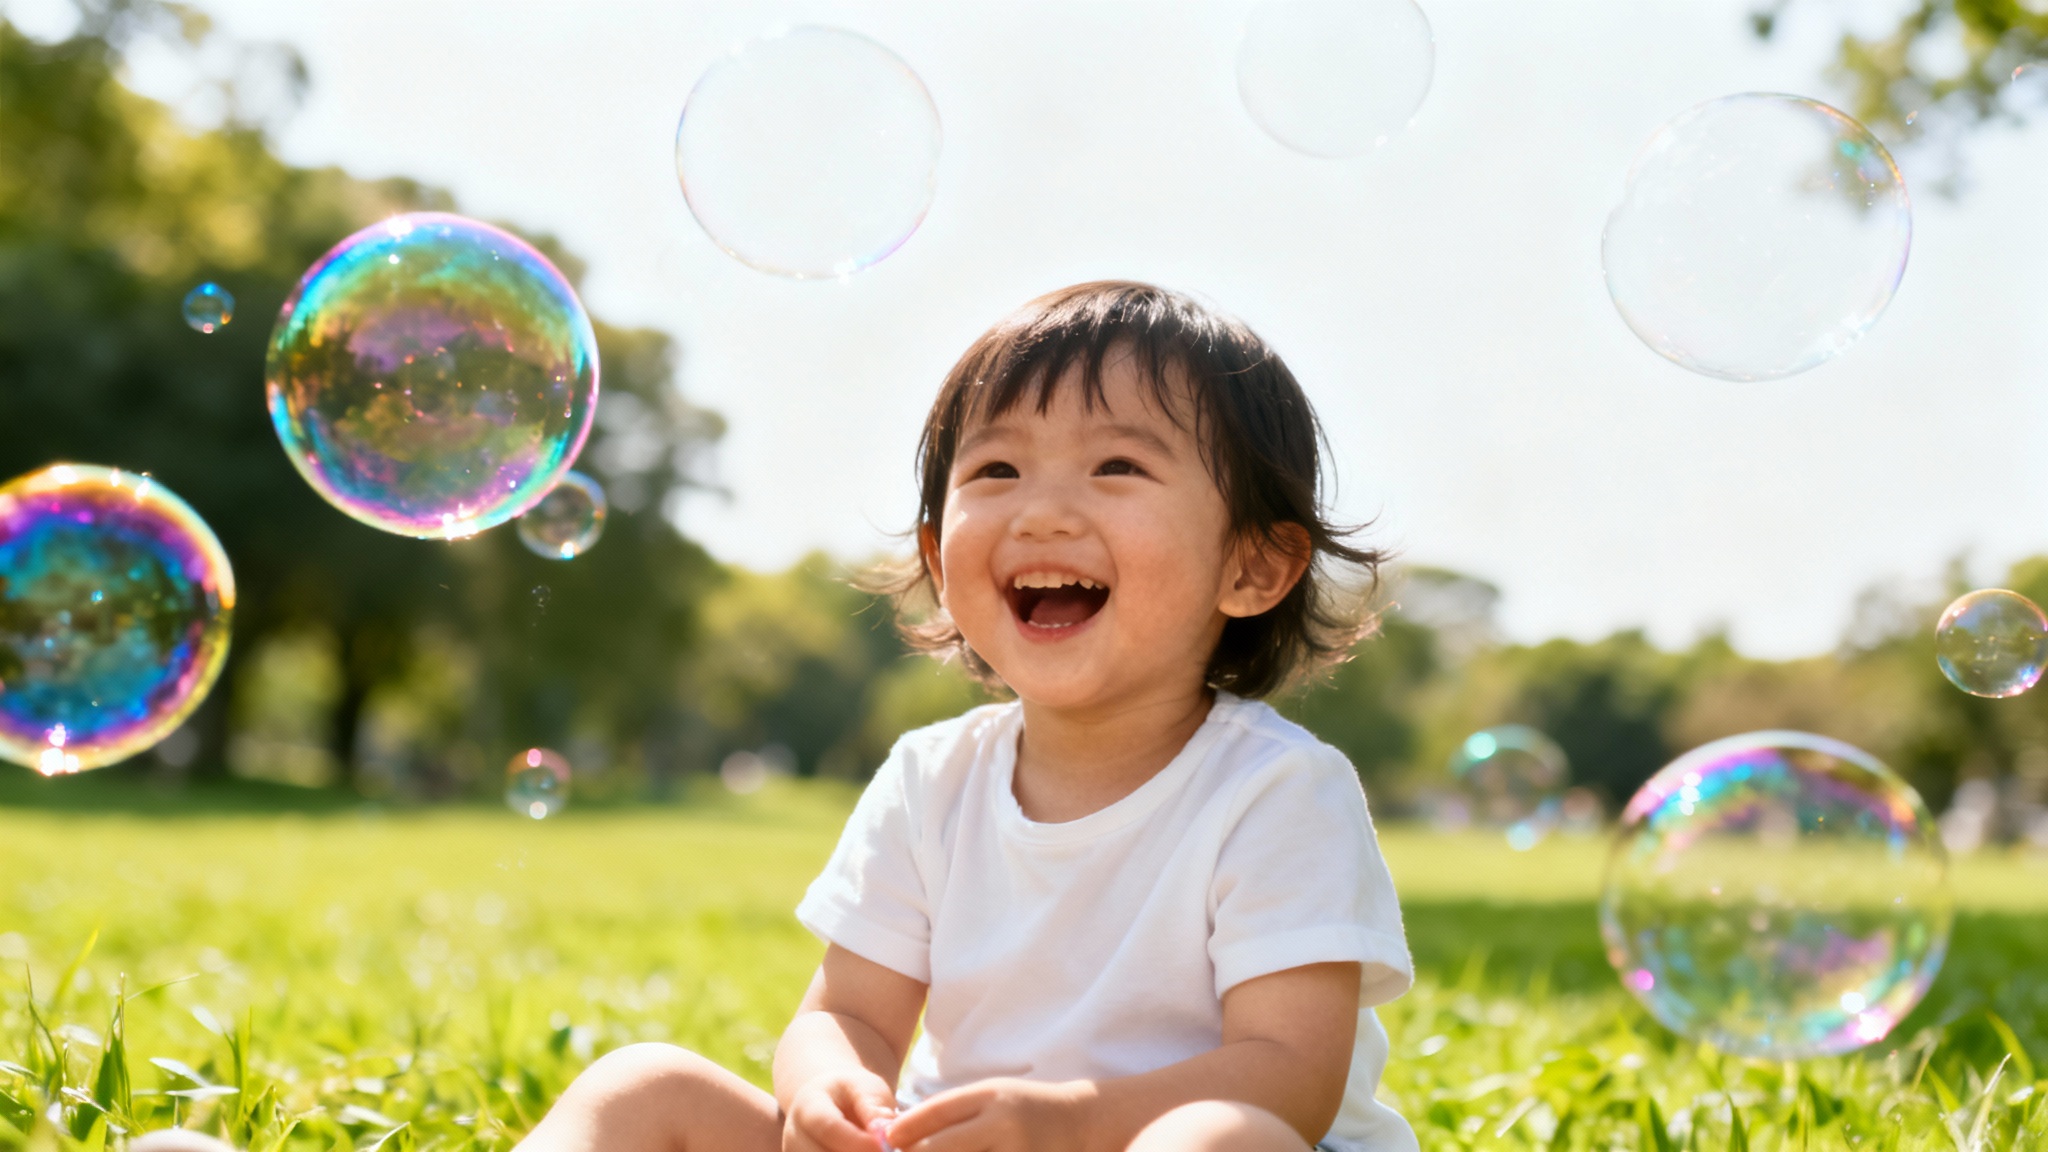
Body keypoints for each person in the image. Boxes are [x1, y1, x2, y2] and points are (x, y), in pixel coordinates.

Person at [518, 281, 1415, 1152]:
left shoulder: (1277, 792)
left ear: (1253, 567)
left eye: (1118, 466)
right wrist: (832, 1084)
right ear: (938, 558)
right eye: (996, 469)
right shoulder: (929, 779)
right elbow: (847, 1015)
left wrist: (1071, 1125)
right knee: (640, 1087)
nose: (1042, 510)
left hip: (1183, 1139)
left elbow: (1289, 1074)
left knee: (1216, 1141)